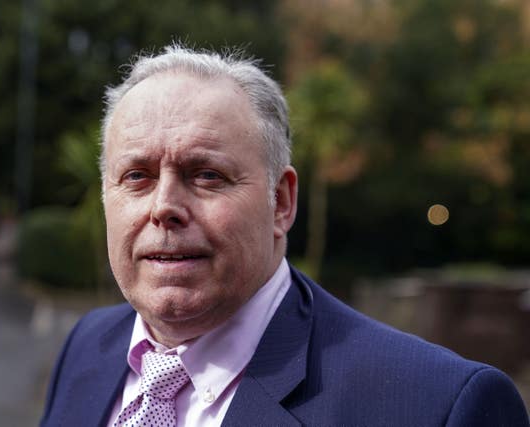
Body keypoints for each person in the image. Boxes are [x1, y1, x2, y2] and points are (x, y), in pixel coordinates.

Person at [40, 44, 529, 427]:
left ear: (281, 202)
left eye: (207, 175)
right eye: (136, 176)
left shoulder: (436, 406)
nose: (165, 206)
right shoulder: (88, 347)